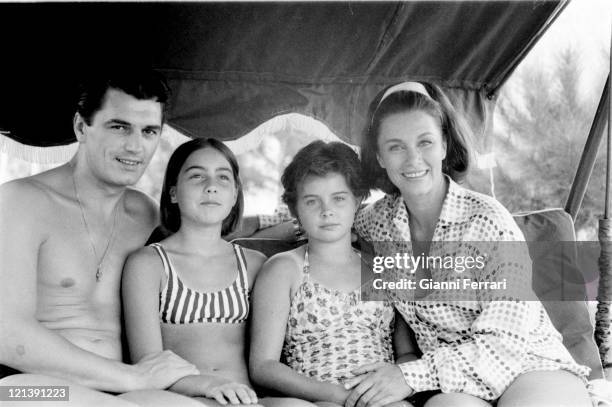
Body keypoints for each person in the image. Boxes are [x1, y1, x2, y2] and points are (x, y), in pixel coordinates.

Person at [342, 81, 592, 407]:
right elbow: (333, 217)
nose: (413, 159)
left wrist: (409, 376)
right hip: (452, 384)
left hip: (527, 365)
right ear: (379, 157)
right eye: (396, 147)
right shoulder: (376, 222)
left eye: (425, 142)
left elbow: (507, 338)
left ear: (444, 146)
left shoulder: (488, 221)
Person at [0, 70, 203, 406]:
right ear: (82, 127)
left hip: (120, 389)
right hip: (23, 387)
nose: (135, 146)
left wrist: (286, 222)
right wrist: (133, 377)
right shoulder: (19, 202)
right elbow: (7, 334)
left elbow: (209, 234)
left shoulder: (147, 214)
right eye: (119, 126)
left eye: (149, 131)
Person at [122, 138, 315, 407]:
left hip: (248, 398)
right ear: (174, 192)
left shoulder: (254, 264)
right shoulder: (148, 263)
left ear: (235, 195)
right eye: (197, 176)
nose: (211, 186)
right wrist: (208, 384)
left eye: (223, 178)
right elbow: (147, 362)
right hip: (180, 398)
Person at [249, 141, 412, 407]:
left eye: (338, 198)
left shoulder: (382, 267)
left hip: (380, 398)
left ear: (357, 200)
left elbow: (406, 352)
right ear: (295, 209)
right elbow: (264, 366)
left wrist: (392, 383)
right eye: (312, 201)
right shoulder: (284, 269)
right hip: (315, 399)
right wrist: (337, 395)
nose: (327, 211)